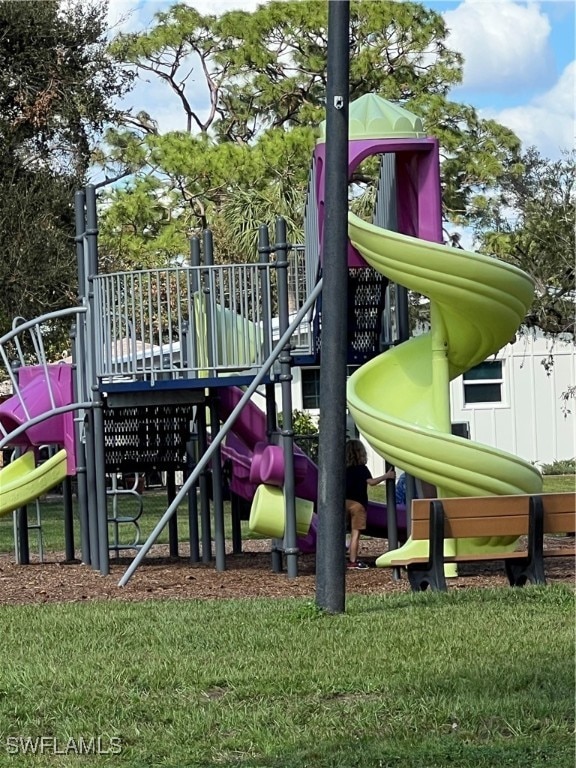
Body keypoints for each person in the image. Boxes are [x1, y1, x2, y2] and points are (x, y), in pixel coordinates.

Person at [345, 439, 395, 569]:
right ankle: (353, 561)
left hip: (343, 503)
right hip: (358, 504)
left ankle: (339, 557)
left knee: (342, 532)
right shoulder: (362, 469)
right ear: (361, 453)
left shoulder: (343, 469)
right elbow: (371, 482)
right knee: (355, 534)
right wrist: (386, 476)